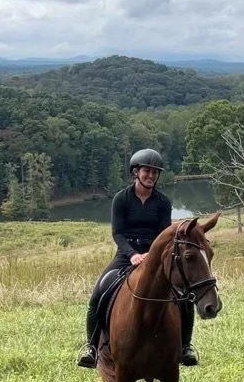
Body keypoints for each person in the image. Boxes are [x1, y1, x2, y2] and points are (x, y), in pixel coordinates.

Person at [76, 148, 198, 369]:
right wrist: (132, 254)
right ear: (136, 172)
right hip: (125, 255)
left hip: (155, 255)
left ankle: (186, 346)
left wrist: (151, 256)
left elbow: (163, 235)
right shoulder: (121, 199)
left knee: (182, 294)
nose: (151, 176)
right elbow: (117, 233)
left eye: (155, 172)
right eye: (147, 171)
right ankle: (91, 347)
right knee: (99, 291)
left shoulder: (162, 202)